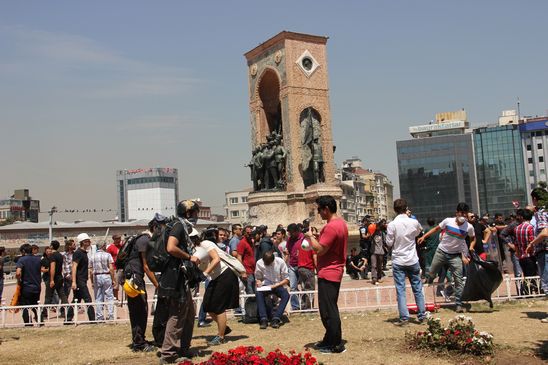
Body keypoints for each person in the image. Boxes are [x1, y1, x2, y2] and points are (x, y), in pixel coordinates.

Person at [158, 200, 201, 364]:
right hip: (175, 277)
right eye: (195, 213)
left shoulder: (181, 226)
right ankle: (168, 354)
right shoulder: (178, 226)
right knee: (177, 314)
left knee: (189, 313)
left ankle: (183, 348)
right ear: (189, 213)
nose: (197, 216)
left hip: (180, 276)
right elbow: (171, 248)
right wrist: (190, 257)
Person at [305, 195, 347, 354]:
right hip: (334, 270)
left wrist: (310, 238)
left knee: (328, 310)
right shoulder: (341, 223)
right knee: (328, 308)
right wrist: (318, 238)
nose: (318, 213)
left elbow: (320, 249)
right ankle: (329, 339)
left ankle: (336, 344)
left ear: (326, 209)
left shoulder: (330, 227)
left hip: (329, 271)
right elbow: (328, 244)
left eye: (319, 210)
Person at [418, 203, 474, 313]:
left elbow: (473, 238)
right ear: (457, 213)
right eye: (461, 213)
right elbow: (435, 229)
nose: (463, 215)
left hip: (455, 255)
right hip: (441, 252)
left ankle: (458, 304)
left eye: (465, 213)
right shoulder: (448, 221)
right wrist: (424, 236)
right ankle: (429, 280)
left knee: (458, 279)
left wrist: (471, 248)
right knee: (432, 272)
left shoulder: (469, 227)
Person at [386, 199, 429, 325]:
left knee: (401, 290)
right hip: (412, 259)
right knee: (417, 288)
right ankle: (422, 315)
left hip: (398, 259)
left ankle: (404, 317)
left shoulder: (392, 225)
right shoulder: (414, 222)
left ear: (395, 210)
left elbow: (389, 243)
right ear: (406, 208)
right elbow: (418, 232)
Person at [192, 229, 239, 345]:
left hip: (224, 274)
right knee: (207, 305)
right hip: (214, 277)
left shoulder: (205, 244)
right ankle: (224, 327)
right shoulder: (192, 250)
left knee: (219, 307)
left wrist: (205, 273)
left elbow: (216, 259)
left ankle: (220, 336)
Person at [125, 219, 159, 352]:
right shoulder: (144, 240)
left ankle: (139, 339)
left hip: (135, 277)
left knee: (139, 310)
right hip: (135, 278)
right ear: (155, 227)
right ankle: (139, 343)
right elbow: (145, 266)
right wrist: (157, 284)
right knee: (139, 310)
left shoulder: (143, 239)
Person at [255, 250, 290, 329]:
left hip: (277, 284)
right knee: (258, 293)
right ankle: (263, 319)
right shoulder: (259, 263)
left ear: (273, 260)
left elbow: (287, 279)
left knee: (286, 295)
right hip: (265, 285)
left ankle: (276, 318)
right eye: (265, 263)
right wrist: (258, 282)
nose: (267, 265)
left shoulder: (280, 262)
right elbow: (258, 278)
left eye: (269, 263)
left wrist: (276, 285)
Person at [16, 243, 42, 326]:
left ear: (23, 251)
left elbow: (18, 272)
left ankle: (28, 323)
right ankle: (40, 320)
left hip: (26, 286)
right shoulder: (38, 259)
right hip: (37, 286)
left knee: (25, 306)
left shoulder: (22, 260)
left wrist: (18, 280)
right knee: (35, 304)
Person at [71, 233, 95, 321]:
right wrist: (74, 281)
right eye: (86, 241)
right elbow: (74, 266)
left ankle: (68, 319)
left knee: (76, 300)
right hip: (79, 280)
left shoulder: (84, 253)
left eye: (89, 241)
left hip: (83, 279)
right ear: (82, 242)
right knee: (88, 299)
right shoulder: (78, 253)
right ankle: (93, 319)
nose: (88, 243)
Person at [90, 240, 115, 321]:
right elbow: (111, 268)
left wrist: (92, 281)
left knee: (98, 297)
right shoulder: (108, 255)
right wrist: (113, 279)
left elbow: (90, 270)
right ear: (103, 246)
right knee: (110, 296)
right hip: (106, 275)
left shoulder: (92, 256)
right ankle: (111, 315)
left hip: (96, 276)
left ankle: (99, 316)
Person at [47, 240, 70, 320]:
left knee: (48, 296)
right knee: (62, 295)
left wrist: (51, 279)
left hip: (54, 278)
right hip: (60, 277)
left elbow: (52, 268)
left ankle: (43, 314)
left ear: (52, 246)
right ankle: (67, 311)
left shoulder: (52, 256)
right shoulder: (60, 255)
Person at [285, 224, 305, 310]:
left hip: (302, 265)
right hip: (292, 266)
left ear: (297, 231)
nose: (290, 235)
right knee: (293, 287)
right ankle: (295, 306)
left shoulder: (303, 238)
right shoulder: (290, 240)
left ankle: (305, 305)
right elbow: (288, 251)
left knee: (304, 286)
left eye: (291, 233)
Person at [297, 232, 317, 309]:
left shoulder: (301, 243)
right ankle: (309, 307)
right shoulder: (311, 244)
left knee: (304, 288)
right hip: (308, 268)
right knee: (310, 289)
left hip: (300, 268)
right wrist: (318, 269)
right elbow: (315, 258)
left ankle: (304, 305)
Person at [236, 225, 256, 295]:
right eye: (247, 232)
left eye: (251, 233)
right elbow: (239, 257)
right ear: (244, 233)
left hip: (252, 271)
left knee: (253, 292)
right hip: (246, 271)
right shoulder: (242, 242)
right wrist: (242, 271)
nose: (249, 234)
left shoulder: (251, 242)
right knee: (250, 293)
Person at [370, 220, 387, 285]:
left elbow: (385, 241)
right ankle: (374, 278)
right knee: (373, 265)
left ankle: (379, 277)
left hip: (381, 252)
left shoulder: (382, 233)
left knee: (379, 266)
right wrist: (374, 232)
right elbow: (370, 238)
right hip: (374, 252)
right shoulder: (373, 233)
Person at [106, 234, 123, 300]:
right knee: (116, 285)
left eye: (119, 238)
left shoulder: (122, 246)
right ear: (114, 239)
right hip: (115, 268)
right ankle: (116, 298)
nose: (119, 240)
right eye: (117, 239)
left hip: (122, 267)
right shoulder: (110, 248)